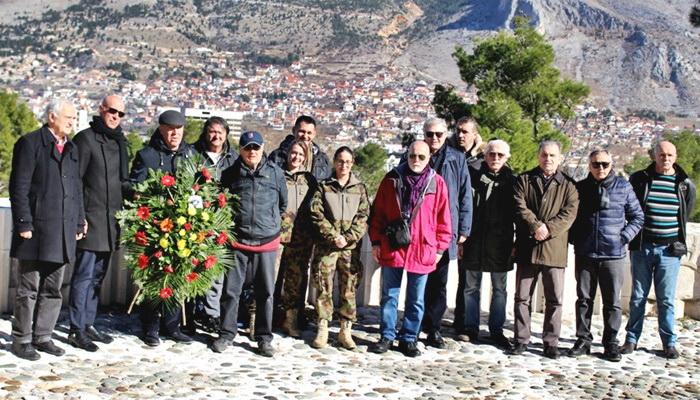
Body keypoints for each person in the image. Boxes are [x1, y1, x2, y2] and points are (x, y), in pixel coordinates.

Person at [9, 98, 85, 360]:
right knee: (28, 289)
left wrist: (79, 220)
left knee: (53, 288)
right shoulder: (30, 143)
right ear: (52, 117)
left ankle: (43, 336)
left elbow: (77, 190)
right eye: (68, 117)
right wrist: (23, 223)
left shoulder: (72, 148)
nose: (72, 122)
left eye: (74, 118)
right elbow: (18, 186)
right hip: (34, 229)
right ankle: (21, 339)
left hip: (63, 232)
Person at [368, 141, 452, 357]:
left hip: (422, 247)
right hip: (393, 244)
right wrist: (376, 241)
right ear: (407, 155)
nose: (416, 160)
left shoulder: (437, 183)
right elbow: (377, 213)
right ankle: (387, 335)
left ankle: (409, 338)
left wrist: (440, 249)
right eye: (412, 156)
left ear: (428, 158)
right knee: (389, 295)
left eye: (421, 157)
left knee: (416, 298)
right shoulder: (391, 179)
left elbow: (444, 218)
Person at [213, 131, 287, 357]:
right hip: (238, 242)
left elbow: (283, 205)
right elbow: (220, 203)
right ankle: (226, 333)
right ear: (241, 149)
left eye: (256, 147)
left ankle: (264, 338)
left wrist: (270, 226)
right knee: (231, 291)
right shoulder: (229, 174)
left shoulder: (276, 174)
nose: (252, 152)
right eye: (247, 148)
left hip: (266, 243)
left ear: (263, 148)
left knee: (266, 293)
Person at [567, 149, 644, 362]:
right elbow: (570, 217)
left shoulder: (623, 187)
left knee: (612, 302)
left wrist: (623, 237)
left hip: (614, 254)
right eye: (595, 164)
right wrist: (576, 239)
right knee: (584, 299)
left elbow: (637, 217)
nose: (600, 168)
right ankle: (583, 339)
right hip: (586, 252)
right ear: (589, 166)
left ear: (611, 165)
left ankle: (610, 342)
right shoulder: (580, 188)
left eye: (604, 164)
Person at [622, 141, 696, 359]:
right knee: (637, 296)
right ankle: (631, 340)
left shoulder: (684, 184)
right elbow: (630, 208)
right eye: (662, 154)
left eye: (670, 155)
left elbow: (685, 214)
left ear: (676, 156)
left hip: (669, 250)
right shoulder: (640, 179)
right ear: (654, 156)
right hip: (642, 247)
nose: (666, 158)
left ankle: (669, 342)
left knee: (666, 299)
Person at [68, 95, 129, 352]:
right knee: (83, 276)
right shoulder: (85, 139)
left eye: (120, 113)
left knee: (98, 277)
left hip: (111, 222)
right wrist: (78, 218)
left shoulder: (120, 142)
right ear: (101, 109)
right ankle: (75, 329)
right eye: (112, 111)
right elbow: (74, 182)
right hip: (89, 220)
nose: (116, 116)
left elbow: (124, 182)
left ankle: (88, 323)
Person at [129, 109, 195, 347]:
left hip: (183, 228)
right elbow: (135, 189)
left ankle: (172, 325)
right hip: (154, 228)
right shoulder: (147, 155)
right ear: (161, 129)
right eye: (170, 129)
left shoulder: (190, 155)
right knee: (155, 278)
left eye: (179, 129)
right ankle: (150, 326)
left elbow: (199, 186)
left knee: (177, 277)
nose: (175, 134)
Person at [510, 140, 579, 359]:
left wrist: (548, 229)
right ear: (538, 156)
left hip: (554, 250)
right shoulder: (524, 180)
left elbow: (569, 214)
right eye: (544, 155)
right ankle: (521, 339)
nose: (547, 159)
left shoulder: (569, 186)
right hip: (527, 248)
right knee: (522, 297)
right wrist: (535, 225)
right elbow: (519, 205)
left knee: (554, 299)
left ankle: (551, 342)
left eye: (552, 156)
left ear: (560, 158)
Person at [417, 117, 472, 349]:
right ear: (424, 135)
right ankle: (415, 323)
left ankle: (434, 327)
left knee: (439, 282)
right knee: (418, 280)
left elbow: (464, 195)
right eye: (430, 134)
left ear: (445, 134)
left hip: (444, 230)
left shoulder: (457, 158)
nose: (435, 138)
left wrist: (464, 229)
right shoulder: (415, 154)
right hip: (419, 229)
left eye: (439, 134)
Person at [308, 146, 370, 350]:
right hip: (328, 246)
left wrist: (348, 237)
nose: (344, 165)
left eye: (348, 162)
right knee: (323, 285)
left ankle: (345, 329)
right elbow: (316, 213)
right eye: (340, 161)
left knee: (349, 287)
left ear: (352, 164)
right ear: (334, 162)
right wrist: (333, 235)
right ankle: (323, 326)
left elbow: (363, 216)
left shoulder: (359, 188)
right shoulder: (324, 186)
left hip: (350, 248)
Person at [457, 139, 516, 348]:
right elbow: (462, 206)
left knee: (499, 289)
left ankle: (496, 330)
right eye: (492, 154)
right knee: (470, 287)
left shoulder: (513, 181)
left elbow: (517, 214)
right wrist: (461, 237)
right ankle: (470, 327)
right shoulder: (472, 176)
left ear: (507, 158)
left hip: (501, 244)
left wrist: (515, 243)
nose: (495, 158)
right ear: (485, 155)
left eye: (500, 155)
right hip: (474, 241)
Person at [188, 116, 239, 333]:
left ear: (226, 134)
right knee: (191, 266)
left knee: (215, 269)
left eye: (220, 132)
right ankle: (189, 314)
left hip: (222, 222)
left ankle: (211, 314)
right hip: (195, 219)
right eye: (212, 131)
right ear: (205, 132)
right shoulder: (192, 154)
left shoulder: (233, 158)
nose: (216, 136)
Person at [278, 140, 317, 337]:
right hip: (275, 236)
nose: (296, 158)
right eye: (294, 153)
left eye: (301, 155)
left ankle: (290, 320)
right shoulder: (276, 174)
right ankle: (261, 320)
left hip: (300, 238)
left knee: (295, 280)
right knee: (269, 281)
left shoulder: (310, 181)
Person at [269, 115, 331, 180]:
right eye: (302, 131)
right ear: (294, 130)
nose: (305, 136)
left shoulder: (322, 160)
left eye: (309, 133)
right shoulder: (277, 156)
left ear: (314, 134)